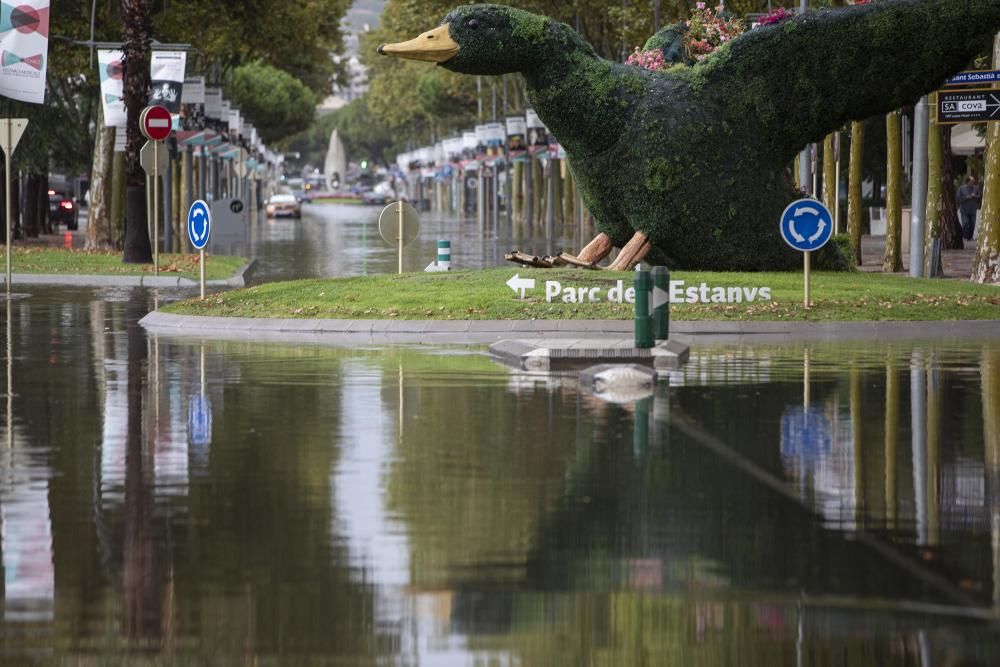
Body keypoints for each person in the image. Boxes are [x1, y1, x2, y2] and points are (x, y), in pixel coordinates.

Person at [956, 175, 982, 241]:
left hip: (973, 209)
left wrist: (975, 196)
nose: (973, 183)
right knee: (965, 223)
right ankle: (965, 237)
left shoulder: (976, 188)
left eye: (973, 182)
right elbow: (958, 198)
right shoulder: (961, 188)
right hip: (964, 210)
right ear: (967, 182)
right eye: (971, 182)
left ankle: (970, 237)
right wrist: (966, 198)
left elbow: (979, 196)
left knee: (972, 224)